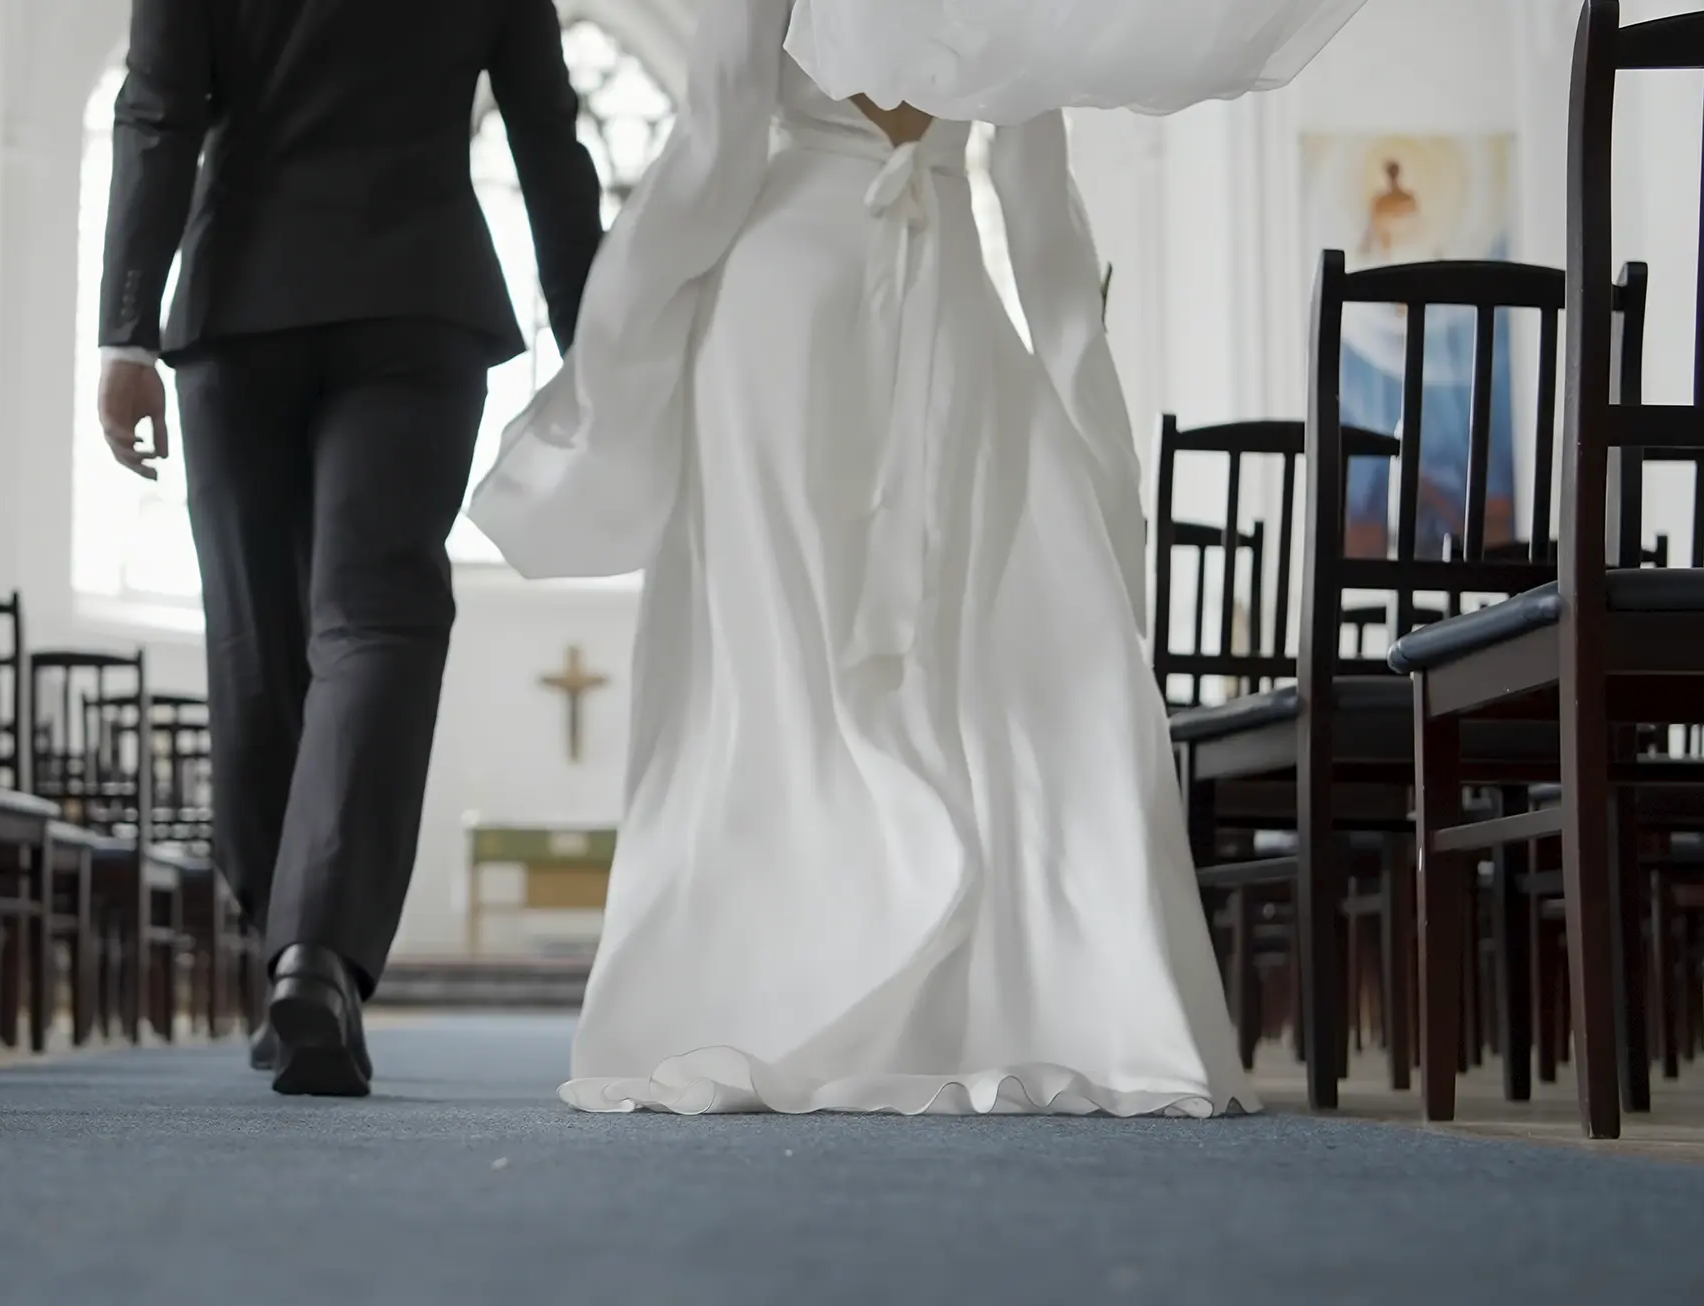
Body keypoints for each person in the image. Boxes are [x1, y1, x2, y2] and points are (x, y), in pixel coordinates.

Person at [469, 0, 1363, 1115]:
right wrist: (1098, 452)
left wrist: (605, 375)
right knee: (996, 645)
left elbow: (713, 147)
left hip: (776, 304)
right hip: (948, 303)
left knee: (770, 668)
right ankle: (1040, 1000)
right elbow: (1044, 221)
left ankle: (756, 991)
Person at [96, 0, 604, 1097]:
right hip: (417, 300)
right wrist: (590, 345)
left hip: (239, 300)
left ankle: (289, 944)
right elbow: (547, 135)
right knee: (377, 622)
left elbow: (157, 114)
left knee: (256, 639)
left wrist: (126, 329)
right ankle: (314, 954)